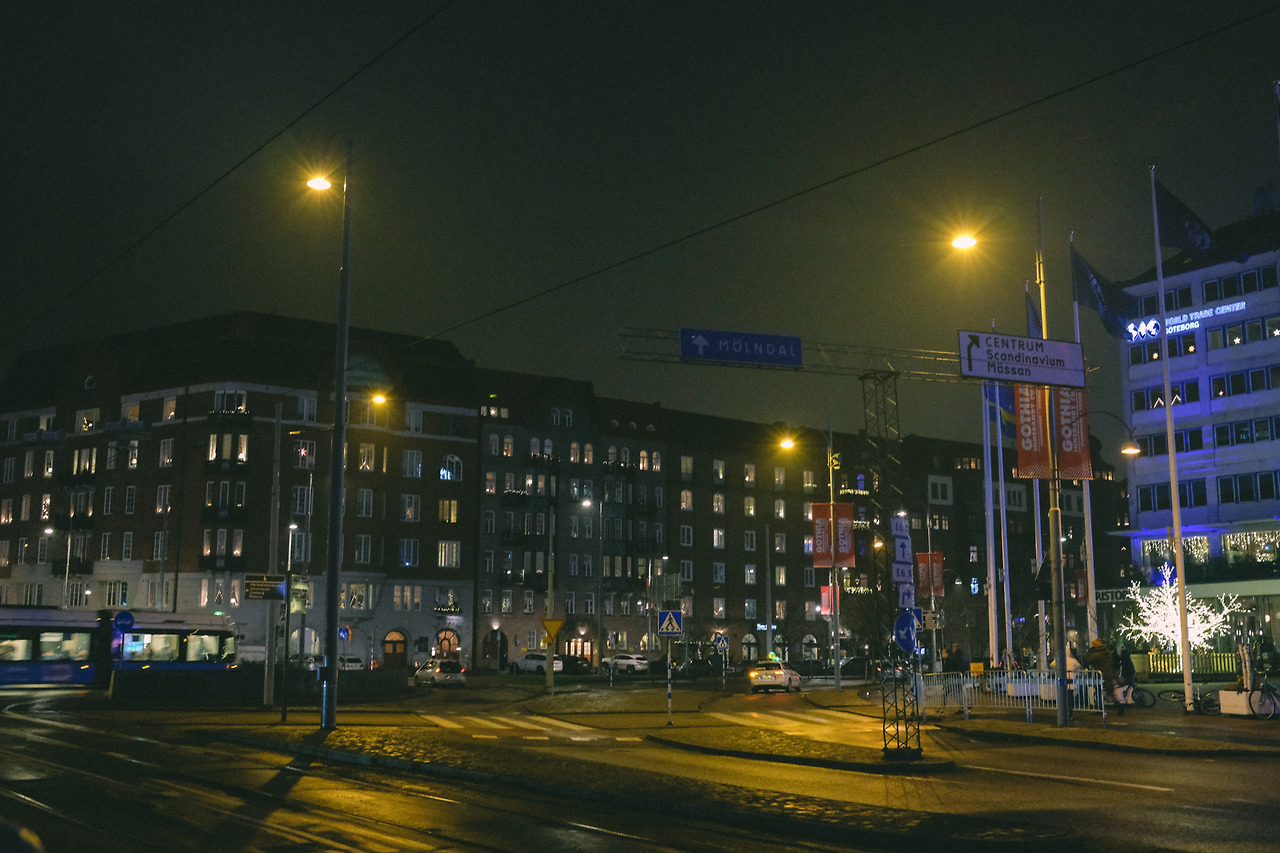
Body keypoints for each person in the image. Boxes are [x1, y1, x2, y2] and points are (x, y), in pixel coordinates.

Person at [1085, 637, 1123, 715]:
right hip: (1108, 674)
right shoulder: (1106, 652)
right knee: (1110, 691)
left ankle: (1101, 708)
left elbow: (1088, 660)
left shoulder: (1097, 653)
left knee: (1099, 692)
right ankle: (1119, 706)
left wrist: (1090, 652)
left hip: (1101, 675)